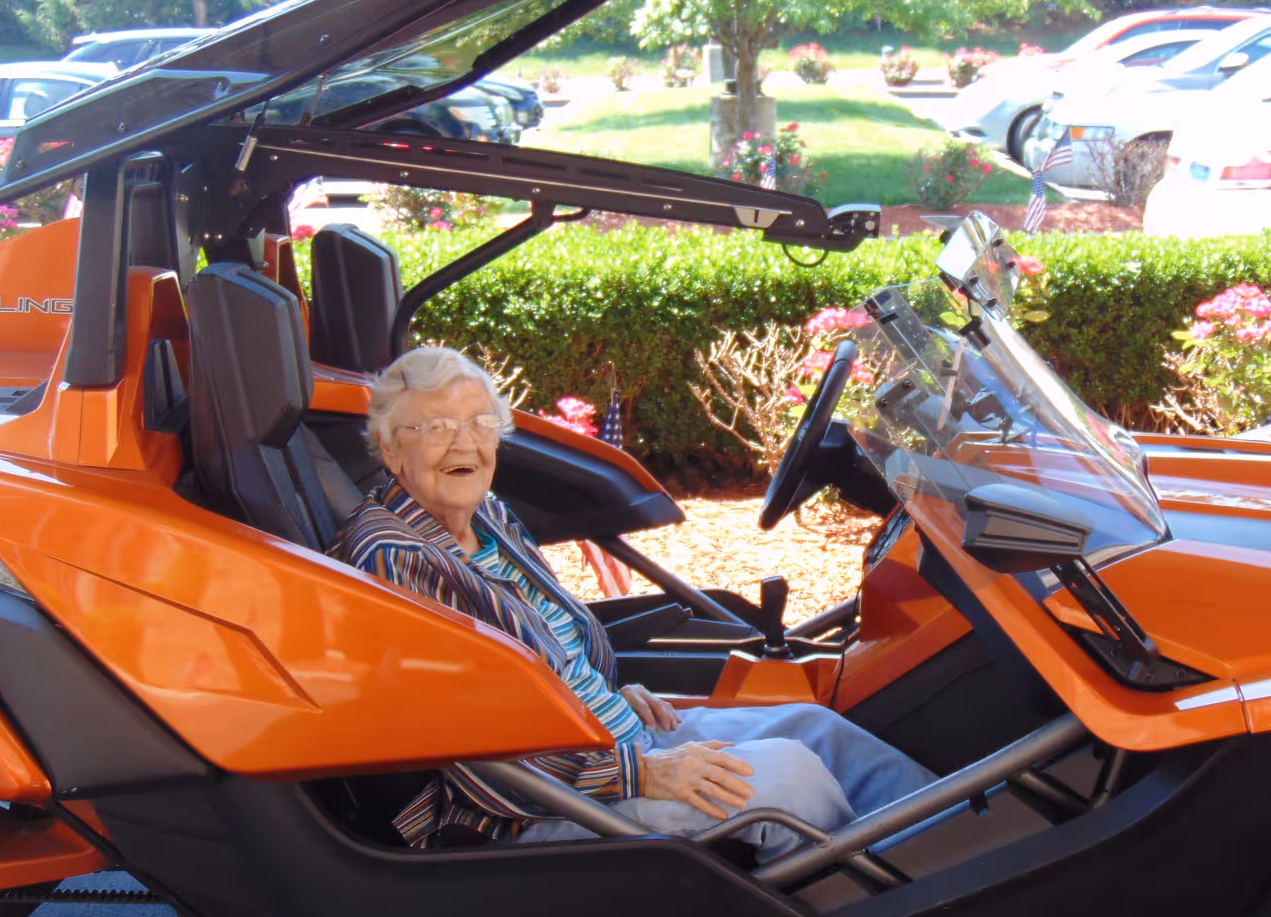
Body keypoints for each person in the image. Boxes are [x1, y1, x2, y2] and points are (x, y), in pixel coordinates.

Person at [336, 346, 937, 860]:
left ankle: (963, 838)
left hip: (603, 745)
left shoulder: (486, 517)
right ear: (390, 448)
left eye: (479, 423)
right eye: (436, 426)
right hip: (525, 811)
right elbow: (467, 750)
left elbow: (541, 653)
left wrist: (602, 693)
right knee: (790, 779)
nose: (464, 442)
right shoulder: (398, 560)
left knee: (815, 729)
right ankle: (883, 911)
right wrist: (644, 773)